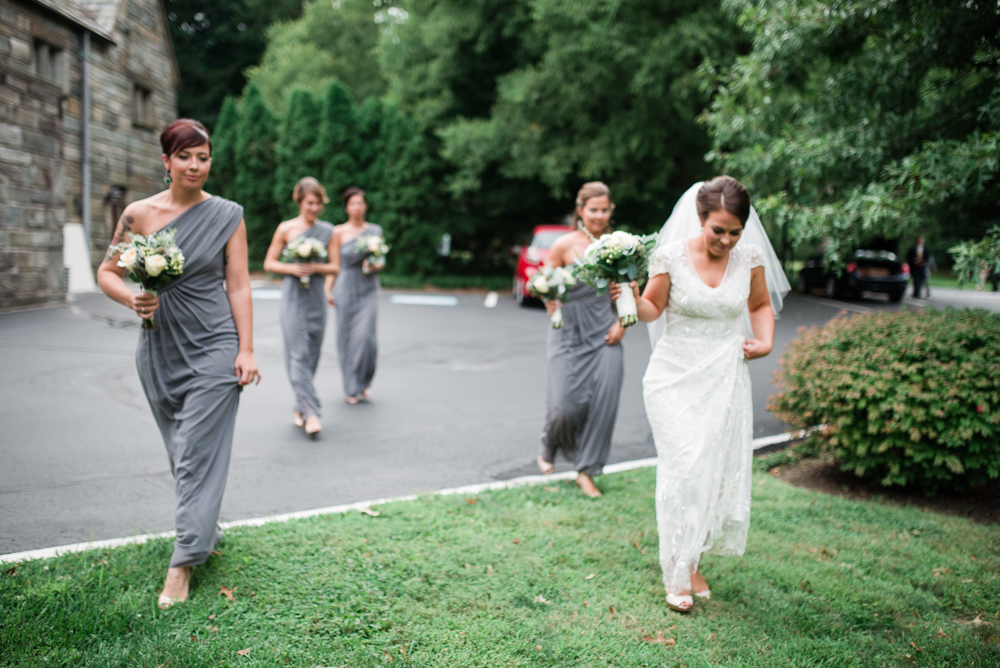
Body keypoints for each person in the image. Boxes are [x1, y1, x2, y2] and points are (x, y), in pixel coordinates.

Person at [96, 119, 260, 608]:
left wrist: (246, 348)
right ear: (166, 161)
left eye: (203, 157)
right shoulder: (138, 215)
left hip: (214, 344)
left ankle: (182, 565)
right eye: (185, 156)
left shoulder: (228, 214)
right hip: (159, 347)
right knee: (181, 450)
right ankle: (203, 527)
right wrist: (131, 299)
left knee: (194, 452)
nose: (195, 165)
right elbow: (107, 272)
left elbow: (239, 284)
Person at [612, 176, 789, 612]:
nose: (726, 240)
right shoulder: (670, 255)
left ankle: (689, 560)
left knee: (710, 470)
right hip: (673, 377)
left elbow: (760, 305)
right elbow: (653, 309)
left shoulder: (748, 258)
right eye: (717, 230)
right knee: (685, 468)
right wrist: (632, 297)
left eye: (734, 231)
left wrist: (764, 342)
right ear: (701, 219)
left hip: (724, 377)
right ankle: (675, 573)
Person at [536, 182, 627, 498]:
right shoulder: (563, 245)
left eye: (604, 210)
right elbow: (545, 283)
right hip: (568, 334)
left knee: (604, 405)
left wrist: (622, 326)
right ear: (581, 210)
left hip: (606, 335)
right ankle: (549, 442)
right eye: (593, 210)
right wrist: (549, 300)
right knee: (565, 405)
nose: (599, 216)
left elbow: (629, 293)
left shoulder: (619, 246)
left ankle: (587, 471)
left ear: (610, 210)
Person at [263, 177, 340, 437]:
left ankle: (300, 404)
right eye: (310, 202)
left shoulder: (329, 231)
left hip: (316, 296)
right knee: (297, 353)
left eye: (318, 203)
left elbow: (335, 266)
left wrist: (316, 267)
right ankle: (312, 412)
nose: (314, 208)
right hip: (293, 296)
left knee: (312, 354)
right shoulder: (286, 228)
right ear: (299, 201)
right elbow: (269, 263)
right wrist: (291, 268)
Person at [325, 187, 383, 404]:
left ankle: (364, 381)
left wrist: (375, 265)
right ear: (346, 207)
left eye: (360, 203)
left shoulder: (375, 231)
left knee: (366, 338)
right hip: (345, 287)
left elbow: (380, 261)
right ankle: (351, 387)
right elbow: (334, 265)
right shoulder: (338, 232)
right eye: (352, 203)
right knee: (347, 338)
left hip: (368, 288)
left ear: (365, 206)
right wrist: (327, 289)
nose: (357, 207)